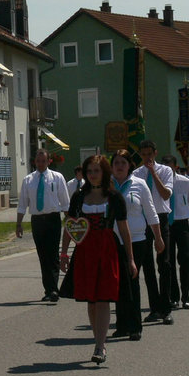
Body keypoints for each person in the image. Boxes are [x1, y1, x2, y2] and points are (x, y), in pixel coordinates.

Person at [60, 155, 136, 365]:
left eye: (97, 171)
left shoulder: (114, 197)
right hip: (85, 250)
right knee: (91, 301)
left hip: (107, 249)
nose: (93, 175)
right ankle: (98, 340)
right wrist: (64, 253)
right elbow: (69, 226)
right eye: (90, 171)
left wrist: (130, 259)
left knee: (103, 298)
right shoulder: (78, 197)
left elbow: (123, 229)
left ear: (104, 173)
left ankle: (100, 345)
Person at [110, 150, 163, 341]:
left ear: (129, 165)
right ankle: (121, 325)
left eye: (123, 162)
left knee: (132, 281)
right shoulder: (107, 186)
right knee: (118, 283)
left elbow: (151, 213)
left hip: (138, 240)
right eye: (116, 162)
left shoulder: (139, 185)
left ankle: (135, 326)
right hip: (113, 241)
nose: (120, 166)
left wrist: (158, 237)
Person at [16, 148, 70, 303]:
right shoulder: (28, 180)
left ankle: (53, 289)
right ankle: (48, 288)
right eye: (38, 161)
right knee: (42, 255)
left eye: (43, 161)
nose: (40, 164)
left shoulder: (57, 178)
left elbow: (65, 202)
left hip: (53, 219)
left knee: (52, 254)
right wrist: (18, 224)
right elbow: (22, 204)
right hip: (38, 221)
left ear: (49, 161)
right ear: (35, 162)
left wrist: (70, 221)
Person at [131, 140, 174, 325]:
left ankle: (166, 308)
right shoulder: (135, 174)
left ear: (155, 153)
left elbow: (166, 194)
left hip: (161, 218)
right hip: (144, 221)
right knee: (147, 266)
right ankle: (154, 307)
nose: (147, 157)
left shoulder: (165, 171)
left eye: (150, 154)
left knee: (164, 264)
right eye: (143, 154)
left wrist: (153, 173)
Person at [162, 155, 189, 309]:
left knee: (185, 259)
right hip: (166, 224)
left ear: (175, 167)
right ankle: (174, 296)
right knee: (168, 261)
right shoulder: (159, 183)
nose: (166, 169)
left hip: (182, 224)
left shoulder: (185, 182)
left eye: (169, 166)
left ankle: (186, 295)